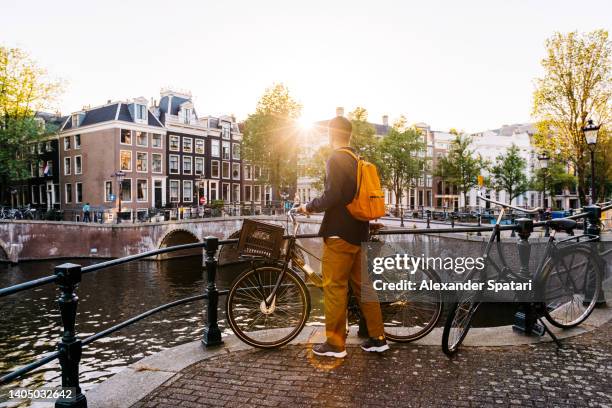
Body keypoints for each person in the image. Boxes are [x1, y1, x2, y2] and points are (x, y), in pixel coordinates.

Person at [298, 116, 388, 358]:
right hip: (359, 233)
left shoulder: (336, 158)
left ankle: (336, 344)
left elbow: (332, 196)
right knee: (364, 288)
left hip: (339, 235)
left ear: (331, 134)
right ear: (349, 135)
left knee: (335, 287)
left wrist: (308, 206)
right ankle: (378, 338)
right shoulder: (356, 160)